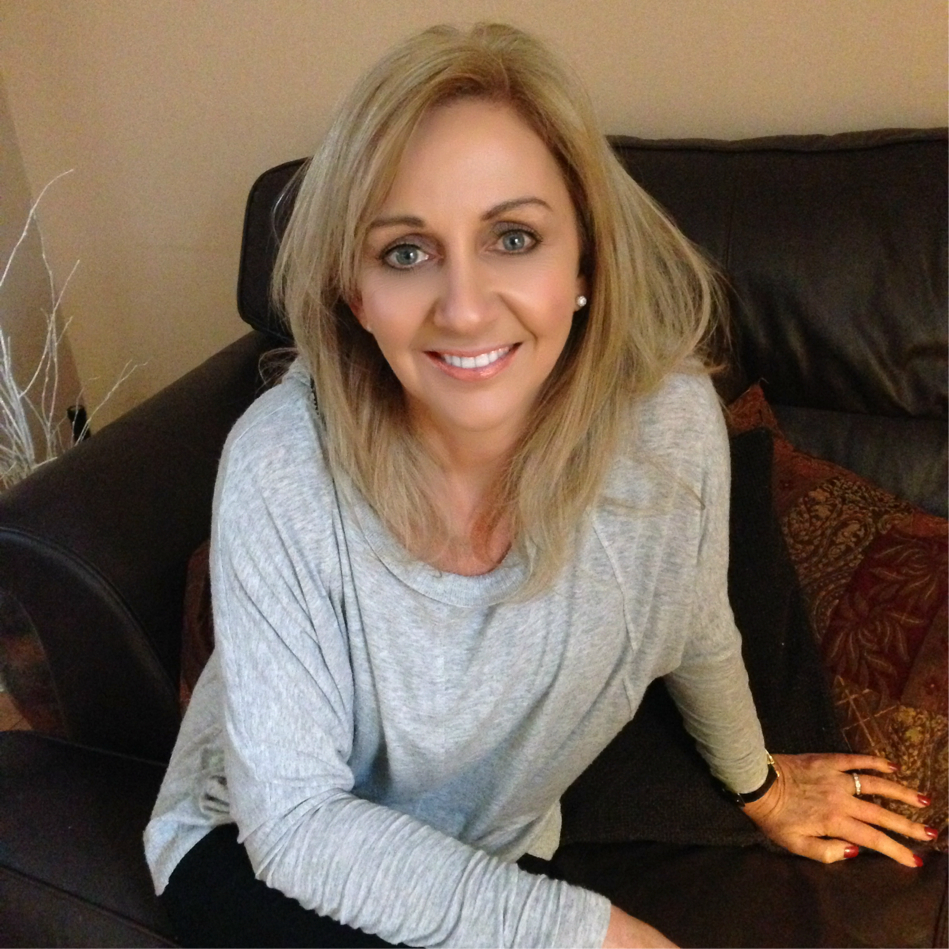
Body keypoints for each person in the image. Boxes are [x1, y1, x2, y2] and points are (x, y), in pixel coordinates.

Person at [144, 23, 935, 948]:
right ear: (356, 292)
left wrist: (759, 785)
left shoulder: (668, 429)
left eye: (512, 237)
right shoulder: (282, 462)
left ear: (585, 263)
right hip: (253, 846)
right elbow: (294, 822)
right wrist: (600, 933)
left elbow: (691, 622)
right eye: (405, 252)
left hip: (484, 846)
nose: (464, 307)